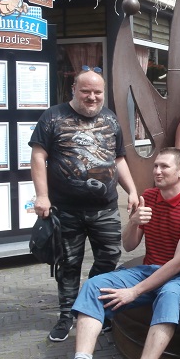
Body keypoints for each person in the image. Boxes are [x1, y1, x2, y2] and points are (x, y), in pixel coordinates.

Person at [51, 147, 180, 359]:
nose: (157, 171)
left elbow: (178, 263)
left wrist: (134, 292)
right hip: (148, 269)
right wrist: (133, 222)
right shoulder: (149, 197)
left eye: (164, 166)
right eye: (155, 166)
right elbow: (129, 245)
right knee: (93, 286)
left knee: (170, 295)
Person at [30, 66, 139, 342]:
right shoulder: (52, 117)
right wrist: (42, 196)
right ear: (74, 90)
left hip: (106, 208)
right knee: (68, 264)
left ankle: (92, 308)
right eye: (86, 91)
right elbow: (38, 156)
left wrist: (132, 190)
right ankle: (66, 315)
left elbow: (118, 159)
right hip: (66, 209)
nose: (92, 97)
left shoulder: (111, 119)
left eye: (97, 92)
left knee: (109, 258)